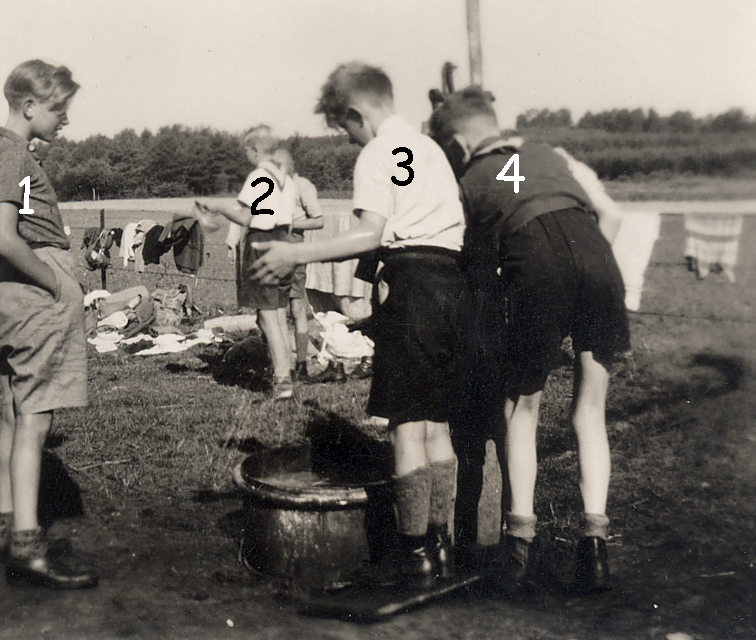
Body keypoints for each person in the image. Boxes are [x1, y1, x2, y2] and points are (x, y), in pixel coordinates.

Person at [251, 62, 473, 588]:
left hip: (413, 285)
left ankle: (413, 550)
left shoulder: (380, 154)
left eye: (346, 130)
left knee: (405, 427)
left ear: (355, 113)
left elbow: (370, 233)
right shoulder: (430, 149)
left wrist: (293, 251)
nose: (350, 141)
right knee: (438, 424)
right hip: (452, 287)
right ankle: (443, 547)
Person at [429, 86, 630, 596]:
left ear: (455, 141)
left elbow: (475, 266)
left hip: (540, 268)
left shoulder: (471, 178)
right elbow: (613, 215)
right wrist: (583, 268)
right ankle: (595, 548)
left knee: (522, 409)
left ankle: (519, 548)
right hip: (599, 259)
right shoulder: (549, 154)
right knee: (590, 410)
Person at [0, 59, 97, 589]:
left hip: (12, 297)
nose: (65, 119)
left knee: (13, 411)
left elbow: (12, 224)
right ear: (29, 106)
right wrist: (55, 283)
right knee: (36, 422)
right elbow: (7, 237)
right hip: (35, 294)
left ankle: (8, 526)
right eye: (58, 109)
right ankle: (28, 545)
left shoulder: (0, 154)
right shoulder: (15, 158)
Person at [199, 126, 298, 400]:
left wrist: (217, 206)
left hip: (262, 243)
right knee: (277, 314)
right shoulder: (286, 178)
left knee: (267, 317)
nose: (245, 155)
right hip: (285, 242)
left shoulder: (258, 175)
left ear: (255, 150)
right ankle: (282, 372)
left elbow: (244, 216)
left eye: (246, 150)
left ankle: (282, 381)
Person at [271, 149, 324, 381]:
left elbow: (319, 220)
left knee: (297, 308)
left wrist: (291, 223)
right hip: (274, 251)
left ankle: (301, 363)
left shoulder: (303, 186)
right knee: (276, 310)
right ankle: (281, 365)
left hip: (294, 250)